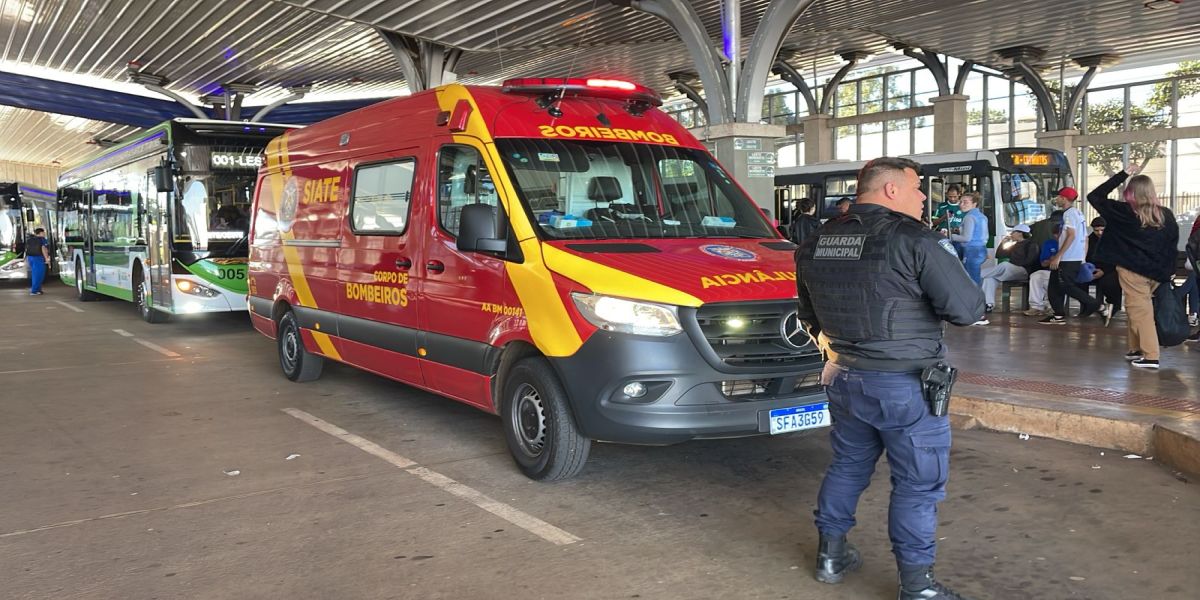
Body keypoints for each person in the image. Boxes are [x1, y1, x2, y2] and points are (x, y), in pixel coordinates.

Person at [795, 156, 983, 600]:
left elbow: (809, 317)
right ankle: (917, 587)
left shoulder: (815, 241)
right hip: (905, 385)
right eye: (918, 188)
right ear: (892, 190)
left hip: (843, 375)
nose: (924, 198)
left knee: (847, 465)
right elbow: (968, 309)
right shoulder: (915, 239)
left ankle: (831, 556)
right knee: (918, 486)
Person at [1087, 165, 1179, 368]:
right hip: (1157, 271)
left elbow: (1095, 196)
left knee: (1140, 311)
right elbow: (1172, 243)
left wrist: (1124, 174)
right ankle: (1135, 348)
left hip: (1132, 269)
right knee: (1135, 307)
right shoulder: (1166, 215)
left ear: (1130, 192)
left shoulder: (1123, 212)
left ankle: (1151, 356)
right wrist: (1169, 271)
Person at [1041, 187, 1104, 325]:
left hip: (1067, 258)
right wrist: (1083, 257)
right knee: (1054, 286)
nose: (1056, 199)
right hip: (1074, 256)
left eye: (1058, 197)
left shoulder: (1068, 214)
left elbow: (1071, 235)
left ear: (1064, 198)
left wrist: (1058, 256)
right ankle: (1058, 315)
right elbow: (1085, 238)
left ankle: (1098, 306)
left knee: (1066, 286)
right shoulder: (1079, 214)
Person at [982, 224, 1037, 312]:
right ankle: (988, 304)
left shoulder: (1031, 245)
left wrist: (1015, 264)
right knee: (990, 278)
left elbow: (1030, 261)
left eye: (1013, 232)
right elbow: (999, 255)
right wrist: (1003, 243)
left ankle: (977, 275)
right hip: (1011, 270)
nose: (1011, 234)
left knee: (1005, 265)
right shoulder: (1015, 245)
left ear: (1020, 233)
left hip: (1024, 271)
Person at [1086, 216, 1122, 325]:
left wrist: (1103, 271)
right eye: (1096, 230)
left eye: (1102, 230)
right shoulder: (1089, 240)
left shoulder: (1113, 240)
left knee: (1110, 282)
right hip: (1093, 268)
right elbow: (1088, 256)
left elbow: (1115, 259)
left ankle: (1113, 305)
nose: (1099, 233)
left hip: (1109, 270)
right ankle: (1087, 307)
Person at [949, 192, 988, 288]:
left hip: (972, 251)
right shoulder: (982, 216)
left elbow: (966, 238)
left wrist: (950, 236)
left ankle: (975, 301)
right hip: (981, 249)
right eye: (960, 202)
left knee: (971, 280)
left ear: (974, 204)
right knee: (975, 278)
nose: (961, 205)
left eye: (965, 202)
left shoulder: (969, 217)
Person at [25, 227, 50, 295]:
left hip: (30, 257)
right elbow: (43, 249)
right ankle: (34, 290)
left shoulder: (29, 239)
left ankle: (38, 289)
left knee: (35, 274)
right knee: (39, 275)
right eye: (43, 232)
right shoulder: (42, 239)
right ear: (40, 233)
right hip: (38, 258)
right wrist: (47, 259)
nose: (44, 234)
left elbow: (27, 249)